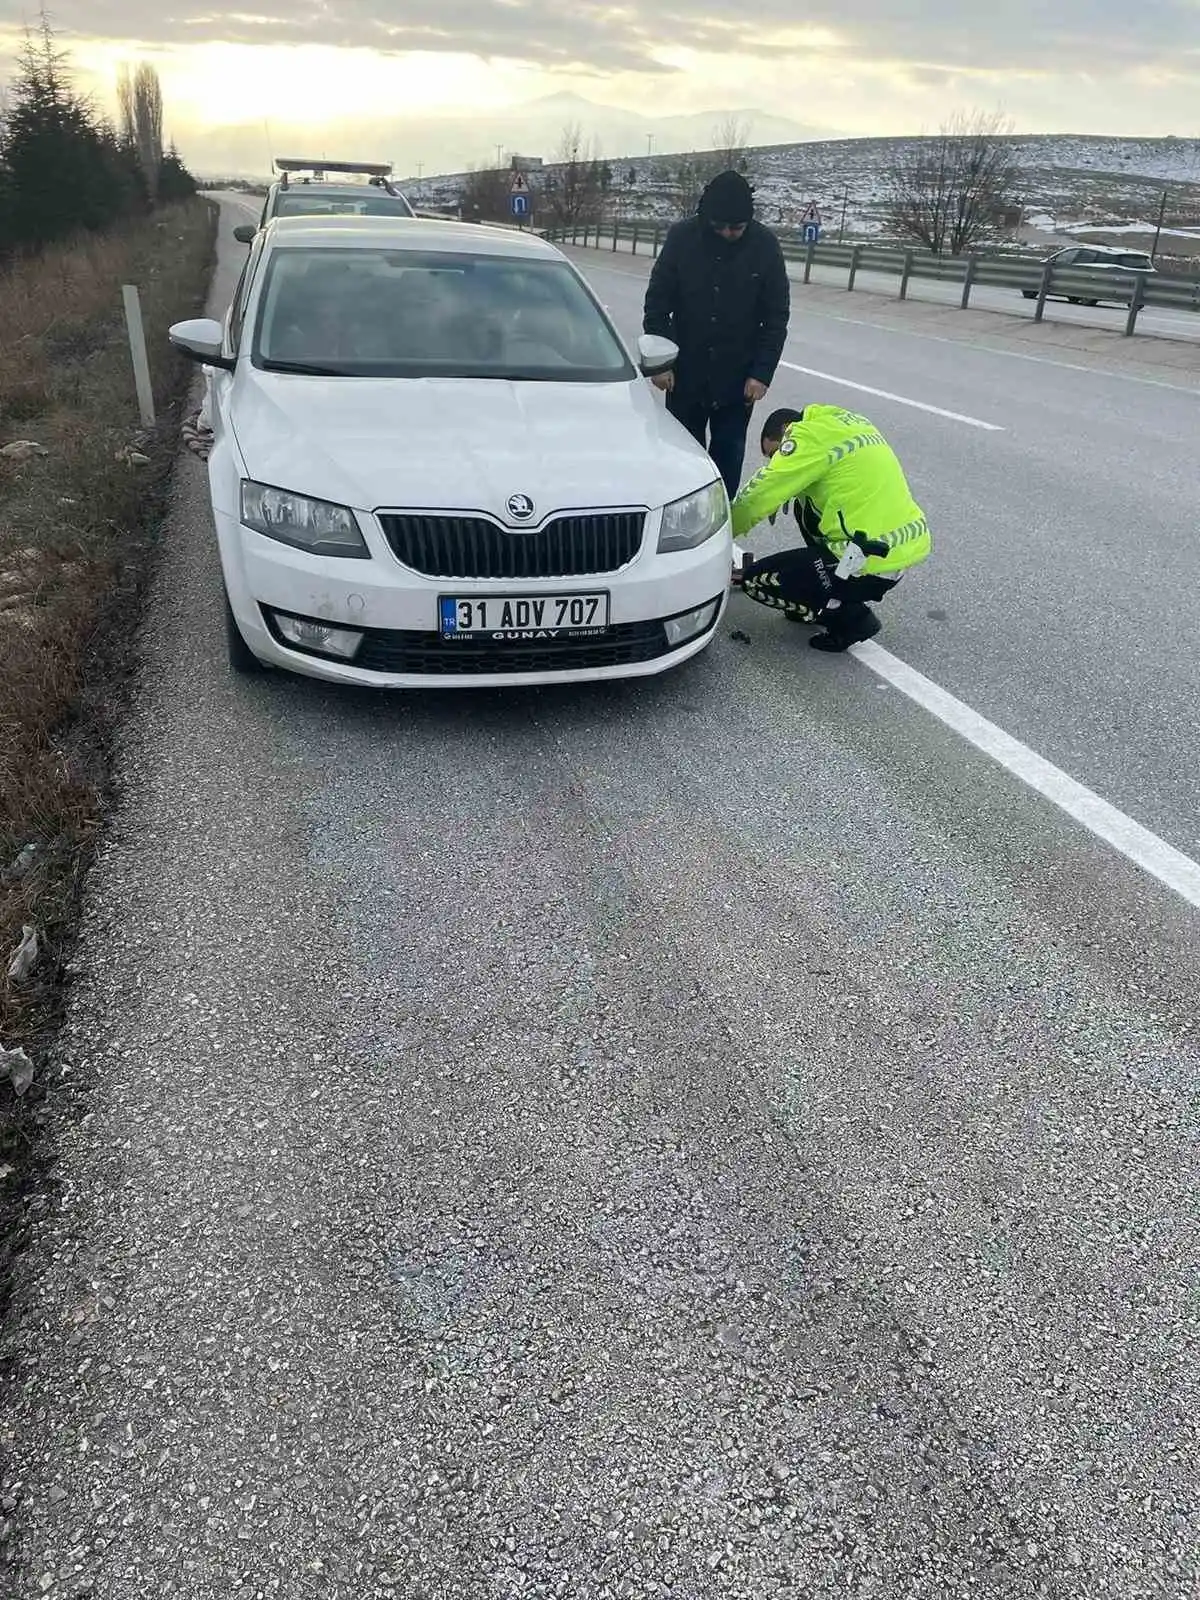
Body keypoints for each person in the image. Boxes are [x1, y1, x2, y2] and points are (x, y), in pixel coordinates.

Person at [730, 405, 932, 652]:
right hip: (898, 551)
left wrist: (717, 535)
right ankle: (821, 592)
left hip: (864, 560)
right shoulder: (846, 423)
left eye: (775, 453)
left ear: (786, 430)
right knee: (802, 506)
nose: (775, 460)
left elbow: (756, 497)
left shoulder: (806, 437)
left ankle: (849, 618)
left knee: (756, 581)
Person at [642, 170, 790, 500]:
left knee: (726, 467)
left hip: (738, 383)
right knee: (682, 464)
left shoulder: (765, 246)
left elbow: (776, 317)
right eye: (720, 226)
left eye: (736, 228)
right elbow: (657, 303)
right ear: (707, 218)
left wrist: (761, 374)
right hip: (684, 376)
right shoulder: (682, 239)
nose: (727, 233)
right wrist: (660, 362)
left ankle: (720, 530)